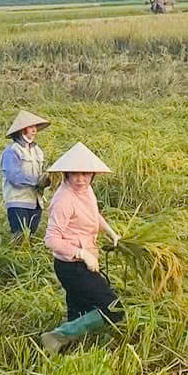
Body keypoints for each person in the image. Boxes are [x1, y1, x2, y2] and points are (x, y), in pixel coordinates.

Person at [38, 143, 127, 353]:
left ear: (92, 174)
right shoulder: (64, 199)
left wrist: (111, 232)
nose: (81, 179)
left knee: (80, 309)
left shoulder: (86, 190)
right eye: (75, 174)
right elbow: (50, 239)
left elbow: (92, 214)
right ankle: (56, 337)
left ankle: (70, 351)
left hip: (82, 261)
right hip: (71, 265)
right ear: (67, 174)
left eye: (86, 173)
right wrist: (82, 254)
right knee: (114, 309)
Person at [0, 110, 50, 238]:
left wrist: (48, 180)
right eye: (31, 127)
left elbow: (42, 172)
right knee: (19, 238)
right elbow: (14, 177)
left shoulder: (37, 150)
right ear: (22, 130)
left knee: (31, 237)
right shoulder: (12, 151)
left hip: (36, 202)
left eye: (35, 127)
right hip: (18, 201)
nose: (35, 130)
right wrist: (37, 181)